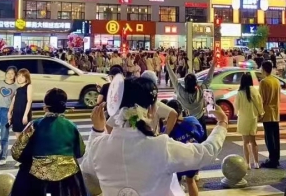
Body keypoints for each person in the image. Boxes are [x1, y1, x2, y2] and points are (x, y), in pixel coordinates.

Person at [81, 77, 228, 196]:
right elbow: (206, 152)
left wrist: (97, 131)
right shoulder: (161, 147)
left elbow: (87, 170)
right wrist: (222, 124)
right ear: (151, 110)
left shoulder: (98, 146)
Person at [10, 88, 87, 196]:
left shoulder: (34, 125)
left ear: (45, 106)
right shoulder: (71, 126)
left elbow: (16, 152)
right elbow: (80, 152)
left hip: (37, 180)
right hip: (68, 181)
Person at [164, 100, 205, 196]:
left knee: (176, 185)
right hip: (193, 158)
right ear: (181, 110)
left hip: (177, 161)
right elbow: (201, 134)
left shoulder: (167, 129)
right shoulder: (192, 120)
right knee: (190, 181)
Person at [167, 59, 215, 139]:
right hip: (200, 120)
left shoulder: (181, 91)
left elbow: (173, 79)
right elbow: (208, 79)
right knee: (202, 141)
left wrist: (167, 65)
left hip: (186, 121)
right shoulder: (200, 91)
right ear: (195, 83)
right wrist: (213, 65)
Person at [0, 66, 18, 165]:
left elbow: (14, 102)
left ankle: (3, 156)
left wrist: (11, 114)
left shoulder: (15, 87)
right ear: (5, 73)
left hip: (6, 111)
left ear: (15, 75)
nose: (10, 75)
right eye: (8, 73)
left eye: (12, 73)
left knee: (4, 135)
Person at [235, 73, 263, 169]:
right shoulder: (255, 91)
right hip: (253, 118)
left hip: (243, 118)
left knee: (245, 142)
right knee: (253, 141)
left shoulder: (239, 93)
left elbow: (236, 107)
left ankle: (247, 163)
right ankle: (256, 162)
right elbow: (260, 104)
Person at [259, 60, 281, 168]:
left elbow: (261, 99)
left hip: (267, 112)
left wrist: (259, 113)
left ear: (263, 69)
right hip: (276, 111)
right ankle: (276, 158)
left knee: (269, 137)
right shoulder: (276, 81)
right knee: (276, 136)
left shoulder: (264, 82)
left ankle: (272, 160)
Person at [141, 70, 178, 134]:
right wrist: (165, 134)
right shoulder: (154, 103)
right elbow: (173, 114)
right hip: (152, 140)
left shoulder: (135, 101)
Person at [9, 69, 33, 138]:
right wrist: (9, 112)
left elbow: (29, 101)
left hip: (24, 114)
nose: (19, 78)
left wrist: (25, 115)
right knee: (18, 139)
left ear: (26, 78)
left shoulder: (29, 86)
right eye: (18, 76)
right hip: (16, 115)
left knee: (25, 138)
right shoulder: (18, 89)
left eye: (22, 76)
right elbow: (13, 102)